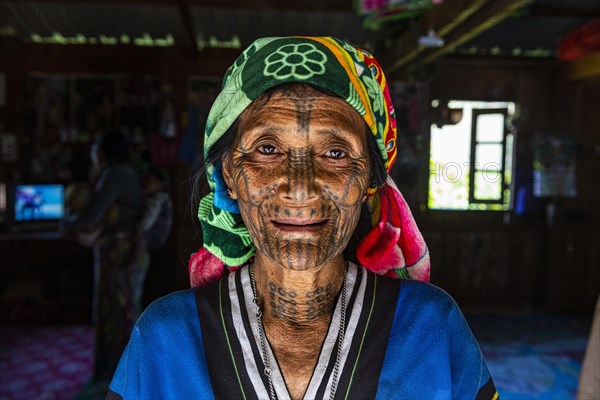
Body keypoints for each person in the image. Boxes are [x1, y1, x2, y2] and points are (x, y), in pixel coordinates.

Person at [107, 37, 497, 399]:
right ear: (229, 173)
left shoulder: (432, 328)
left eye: (335, 153)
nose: (300, 188)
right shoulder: (164, 338)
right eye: (267, 148)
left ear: (369, 181)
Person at [62, 130, 149, 392]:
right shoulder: (126, 172)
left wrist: (67, 223)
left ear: (101, 152)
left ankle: (117, 378)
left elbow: (92, 215)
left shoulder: (115, 175)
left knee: (116, 311)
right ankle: (124, 375)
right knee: (124, 308)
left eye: (94, 151)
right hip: (127, 249)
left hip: (119, 251)